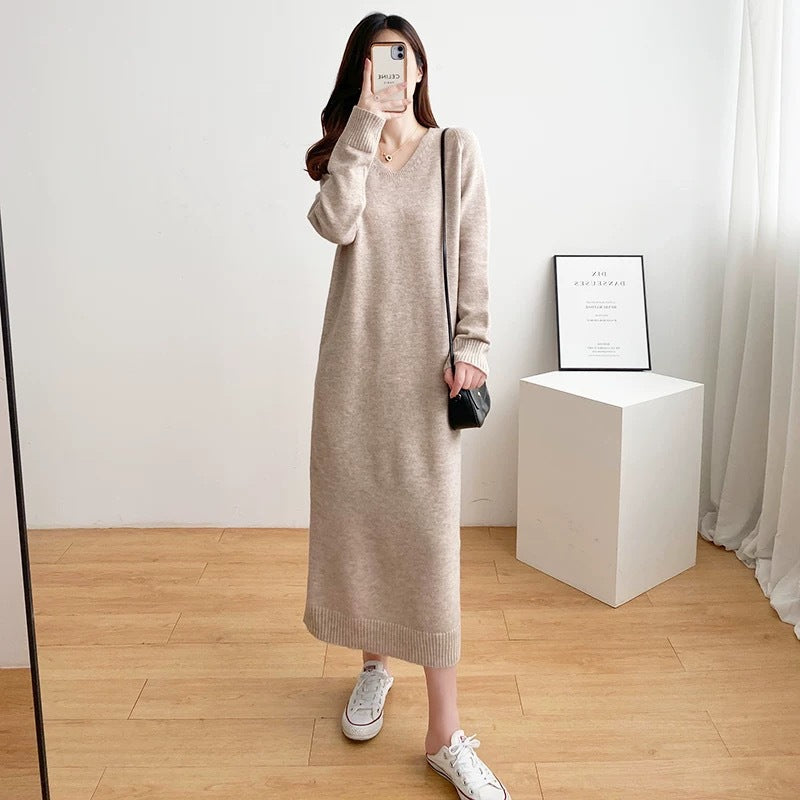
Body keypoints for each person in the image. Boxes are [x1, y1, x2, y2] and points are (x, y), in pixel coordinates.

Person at [303, 13, 508, 800]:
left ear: (420, 70)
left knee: (425, 545)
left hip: (426, 379)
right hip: (352, 376)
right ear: (360, 76)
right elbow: (333, 223)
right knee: (358, 527)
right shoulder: (350, 152)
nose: (390, 71)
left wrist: (473, 344)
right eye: (374, 63)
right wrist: (363, 123)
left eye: (400, 59)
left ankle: (444, 733)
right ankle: (373, 667)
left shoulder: (455, 150)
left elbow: (475, 254)